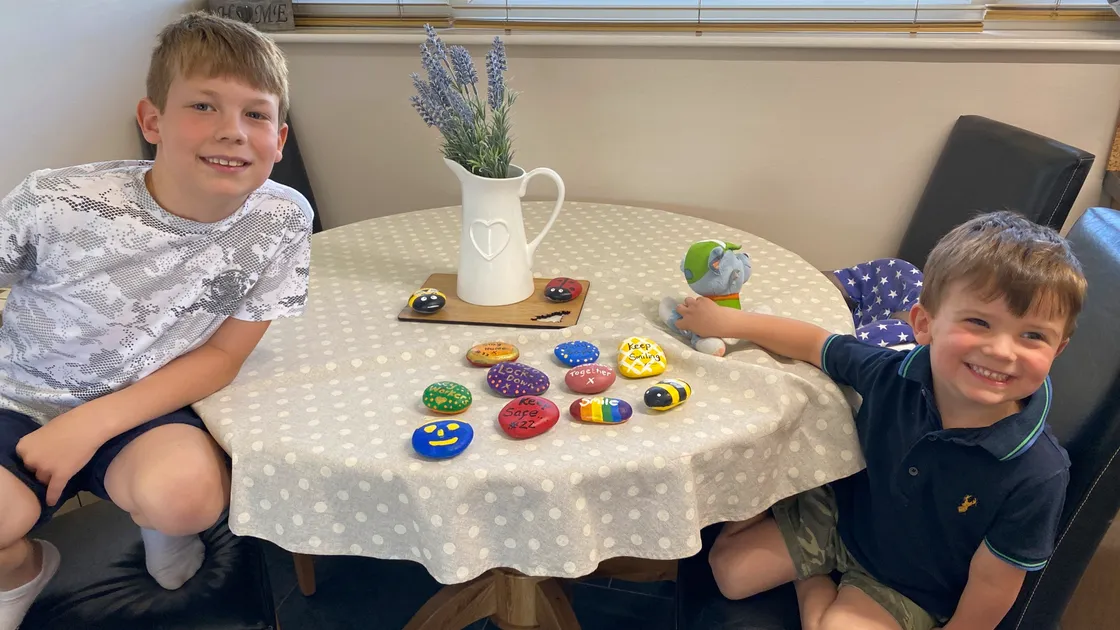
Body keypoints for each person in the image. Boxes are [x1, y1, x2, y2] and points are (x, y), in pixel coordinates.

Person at [0, 11, 312, 628]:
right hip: (17, 396)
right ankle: (23, 572)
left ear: (279, 139)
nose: (232, 132)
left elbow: (224, 355)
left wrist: (90, 424)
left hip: (145, 401)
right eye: (203, 106)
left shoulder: (282, 219)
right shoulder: (55, 200)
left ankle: (158, 527)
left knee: (184, 497)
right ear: (152, 121)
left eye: (256, 113)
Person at [674, 211, 1086, 630]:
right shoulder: (893, 372)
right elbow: (818, 343)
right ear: (924, 324)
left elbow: (993, 584)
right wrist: (728, 321)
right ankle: (812, 564)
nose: (1002, 350)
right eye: (979, 322)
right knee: (730, 574)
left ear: (1058, 349)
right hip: (844, 517)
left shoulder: (1037, 473)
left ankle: (813, 580)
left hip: (909, 586)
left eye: (1032, 336)